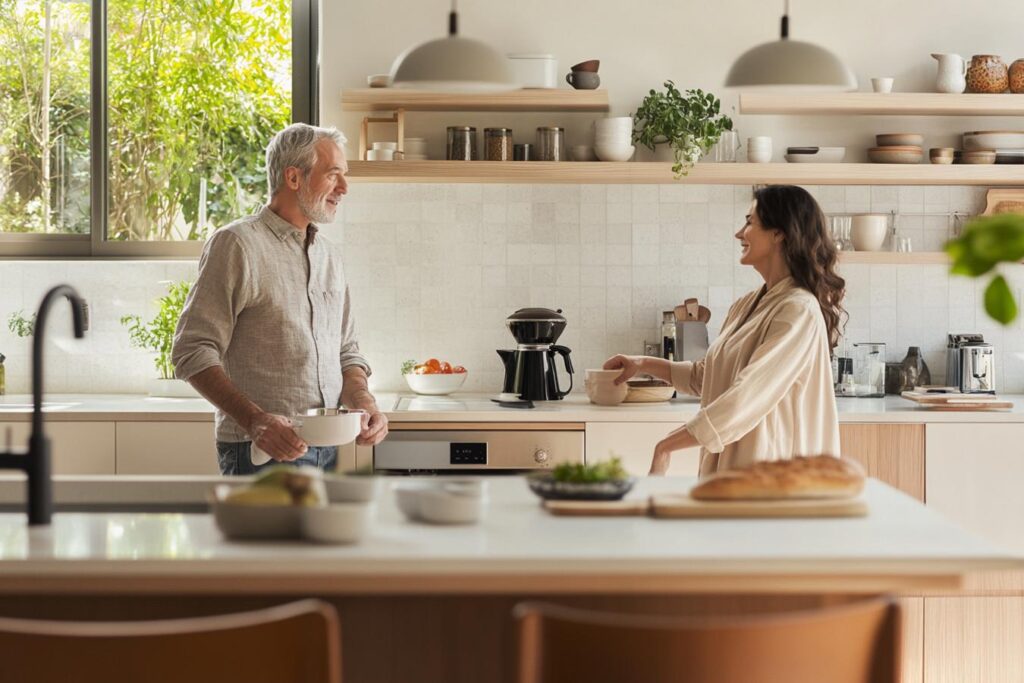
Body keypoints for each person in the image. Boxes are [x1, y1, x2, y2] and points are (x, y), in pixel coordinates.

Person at [172, 123, 388, 474]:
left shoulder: (329, 256)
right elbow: (191, 350)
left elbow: (347, 352)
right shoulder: (237, 244)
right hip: (260, 452)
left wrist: (364, 401)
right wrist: (255, 421)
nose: (345, 188)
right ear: (293, 178)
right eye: (334, 175)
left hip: (327, 450)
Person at [604, 184, 845, 476]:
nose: (739, 233)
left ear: (779, 233)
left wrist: (667, 445)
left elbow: (746, 397)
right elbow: (708, 377)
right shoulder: (747, 305)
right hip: (734, 475)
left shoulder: (798, 310)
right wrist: (642, 364)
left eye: (749, 222)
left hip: (775, 481)